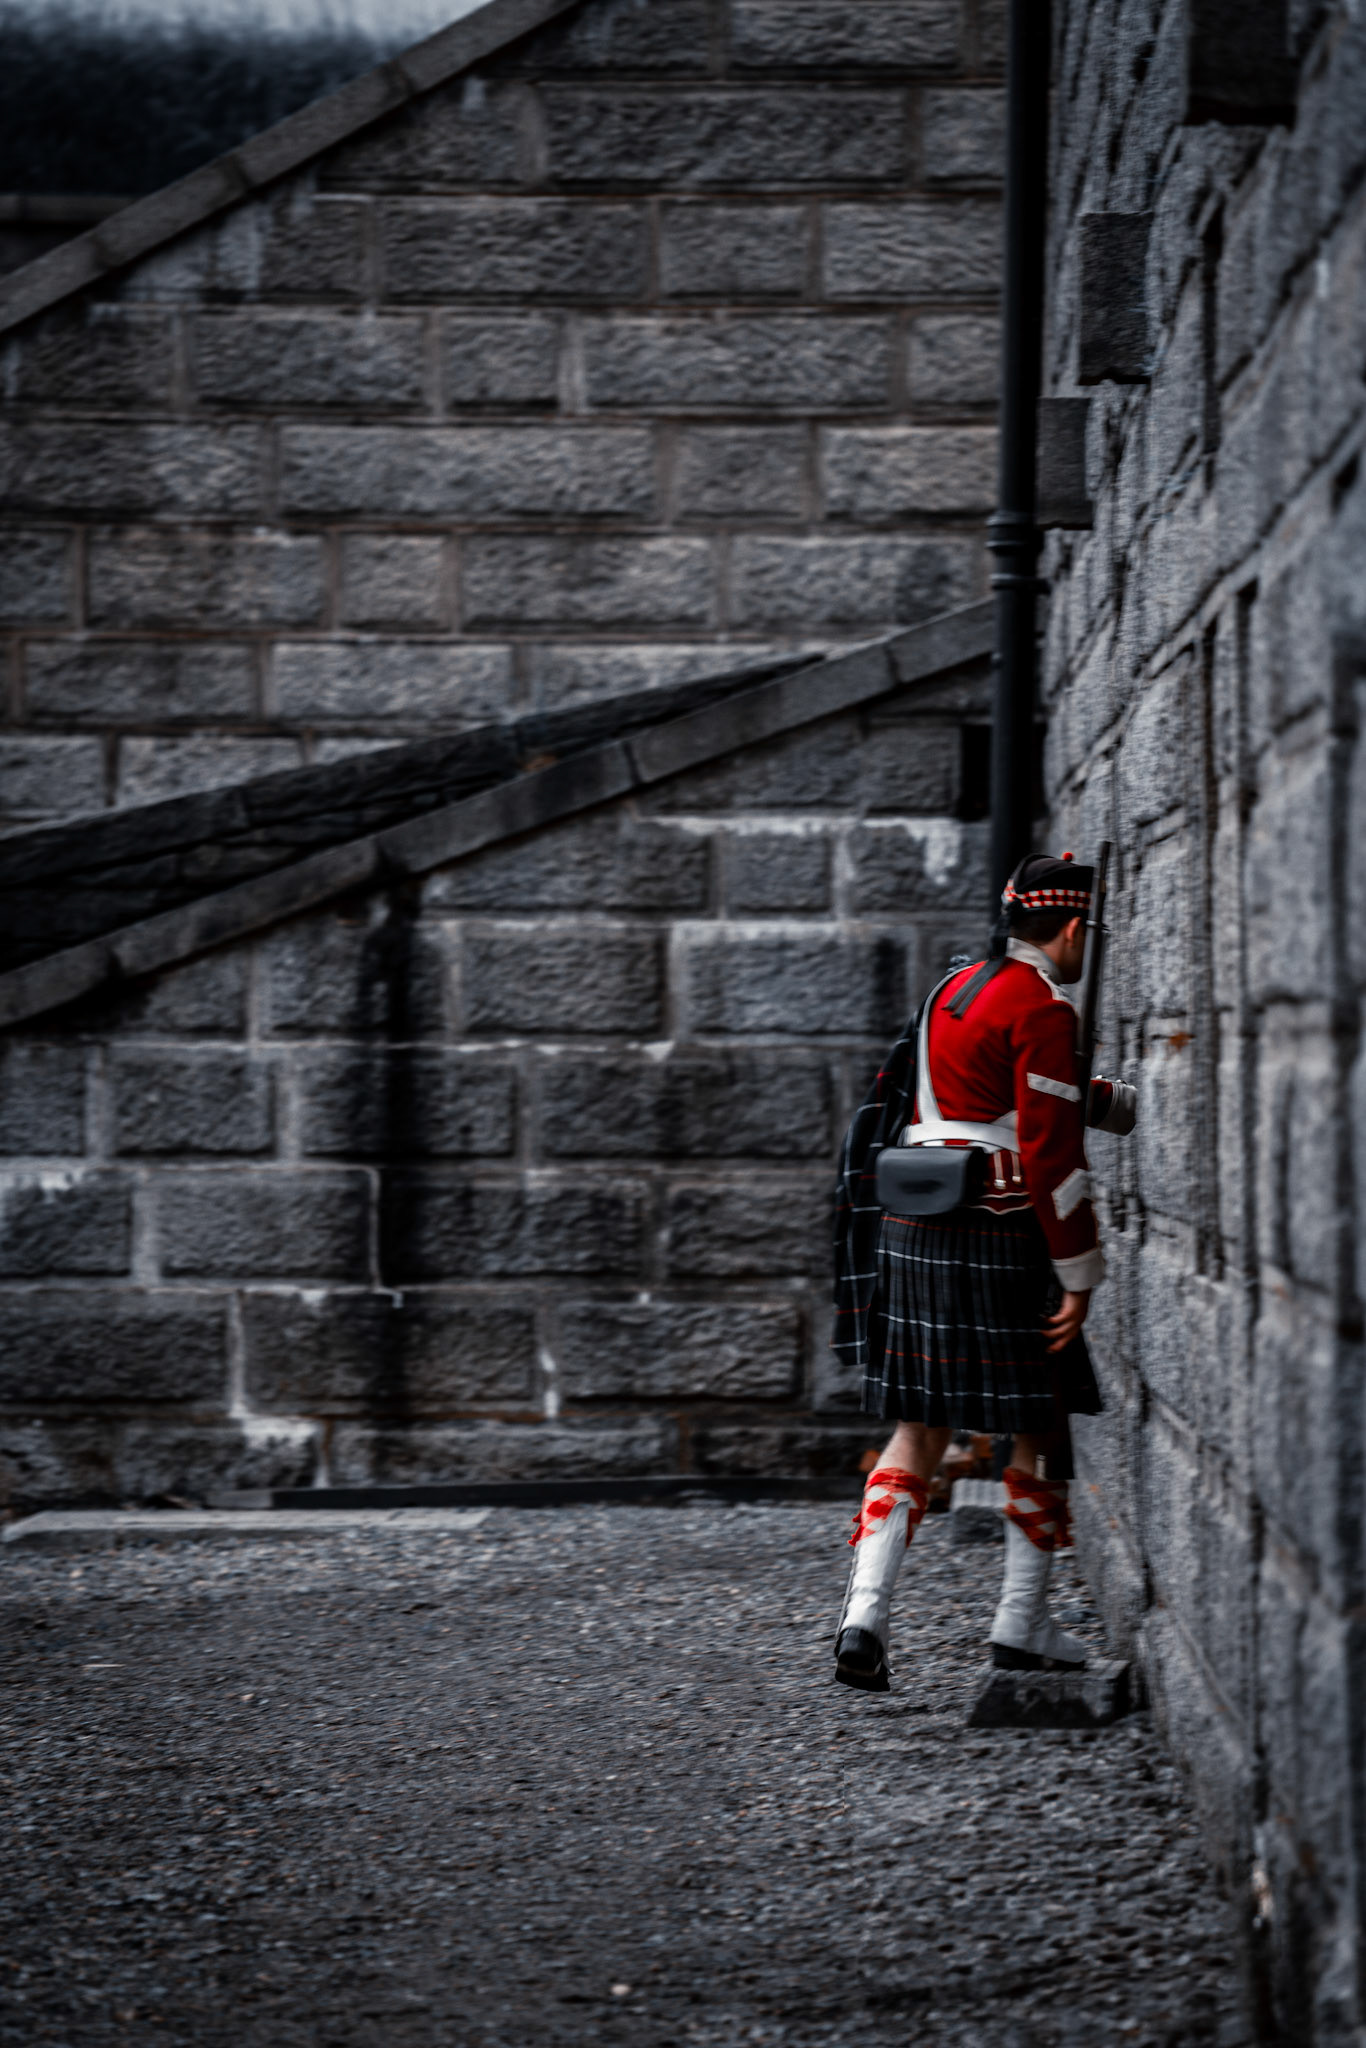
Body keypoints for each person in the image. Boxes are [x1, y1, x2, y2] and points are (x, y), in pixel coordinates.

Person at [830, 852, 1137, 1692]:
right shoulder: (1045, 1005)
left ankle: (865, 1613)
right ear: (1072, 929)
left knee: (917, 1425)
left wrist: (1102, 1098)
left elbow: (977, 1090)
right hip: (1001, 1234)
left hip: (912, 1222)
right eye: (1089, 935)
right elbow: (1047, 1148)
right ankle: (1021, 1625)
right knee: (1038, 1427)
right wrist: (1080, 1270)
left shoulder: (953, 987)